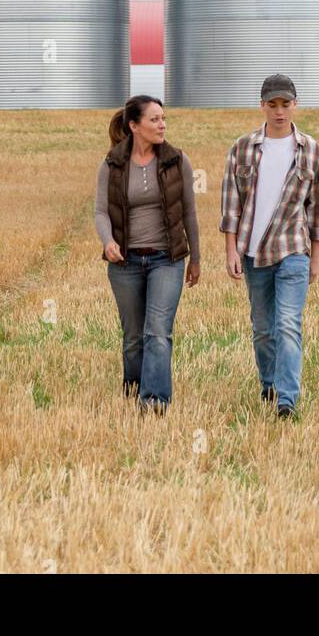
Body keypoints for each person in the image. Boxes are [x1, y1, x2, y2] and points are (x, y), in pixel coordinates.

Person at [220, 73, 319, 418]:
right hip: (253, 252)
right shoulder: (243, 148)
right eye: (273, 104)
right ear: (262, 105)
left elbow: (317, 207)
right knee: (263, 328)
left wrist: (316, 257)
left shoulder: (310, 150)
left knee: (288, 325)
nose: (279, 112)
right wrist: (231, 249)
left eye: (286, 104)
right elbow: (231, 203)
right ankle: (269, 383)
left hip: (293, 249)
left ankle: (287, 400)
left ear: (295, 105)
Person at [95, 95, 201, 413]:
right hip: (125, 261)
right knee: (133, 337)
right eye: (154, 119)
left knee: (157, 331)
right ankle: (133, 390)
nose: (162, 124)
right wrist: (107, 241)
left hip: (166, 259)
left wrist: (195, 258)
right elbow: (101, 212)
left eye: (164, 118)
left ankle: (154, 401)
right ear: (134, 126)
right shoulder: (112, 164)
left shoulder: (176, 160)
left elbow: (190, 213)